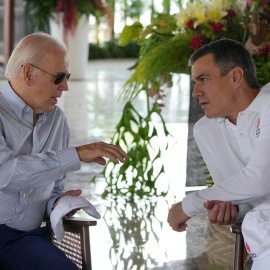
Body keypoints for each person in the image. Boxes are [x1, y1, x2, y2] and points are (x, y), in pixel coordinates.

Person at [0, 32, 128, 270]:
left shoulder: (56, 120)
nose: (66, 86)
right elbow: (4, 175)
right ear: (28, 73)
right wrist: (76, 154)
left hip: (25, 240)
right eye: (59, 77)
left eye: (67, 76)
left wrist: (58, 204)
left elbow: (53, 188)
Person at [167, 38, 270, 269]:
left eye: (203, 79)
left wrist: (186, 206)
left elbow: (258, 181)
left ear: (235, 77)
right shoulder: (207, 129)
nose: (195, 92)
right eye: (194, 82)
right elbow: (241, 199)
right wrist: (230, 211)